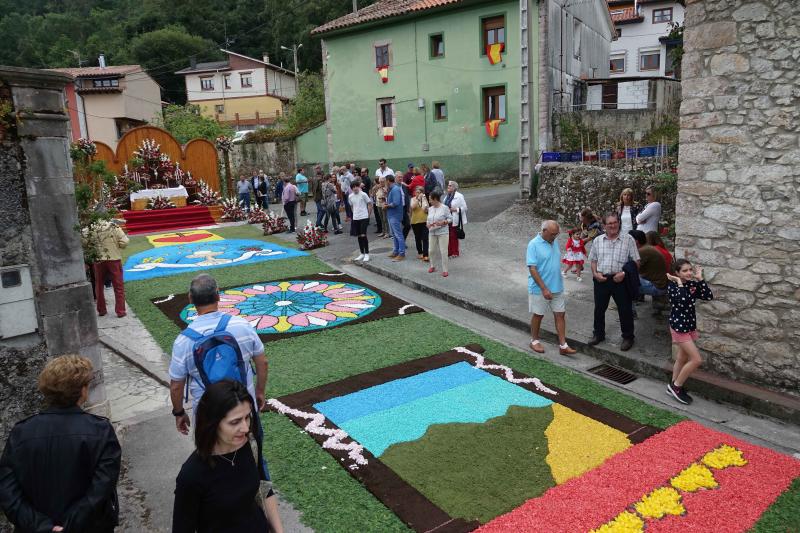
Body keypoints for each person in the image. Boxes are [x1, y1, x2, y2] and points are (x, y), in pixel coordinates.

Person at [0, 355, 121, 533]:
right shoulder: (100, 431)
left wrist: (42, 526)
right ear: (82, 391)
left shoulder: (21, 432)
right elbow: (102, 487)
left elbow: (8, 491)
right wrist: (70, 525)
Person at [173, 380, 284, 533]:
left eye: (247, 417)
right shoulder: (191, 475)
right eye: (235, 422)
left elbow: (264, 488)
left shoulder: (250, 444)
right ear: (212, 423)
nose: (245, 428)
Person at [169, 274, 269, 433]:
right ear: (218, 295)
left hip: (208, 414)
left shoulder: (183, 341)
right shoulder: (242, 325)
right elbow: (262, 362)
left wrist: (179, 412)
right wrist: (259, 391)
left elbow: (176, 386)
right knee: (253, 451)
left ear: (190, 299)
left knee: (212, 455)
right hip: (244, 407)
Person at [588, 212, 641, 351]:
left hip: (620, 279)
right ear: (604, 226)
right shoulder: (598, 240)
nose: (613, 225)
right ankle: (598, 334)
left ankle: (628, 337)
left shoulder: (628, 239)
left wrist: (624, 273)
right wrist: (595, 273)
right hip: (601, 279)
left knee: (625, 310)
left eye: (615, 222)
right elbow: (593, 260)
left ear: (619, 222)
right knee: (599, 309)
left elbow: (637, 262)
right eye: (609, 223)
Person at [665, 259, 713, 405]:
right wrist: (679, 282)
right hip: (679, 327)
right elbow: (683, 300)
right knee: (697, 360)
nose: (689, 273)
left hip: (689, 326)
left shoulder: (692, 283)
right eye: (684, 271)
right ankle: (677, 387)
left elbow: (708, 296)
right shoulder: (672, 286)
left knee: (682, 358)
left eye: (690, 270)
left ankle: (672, 384)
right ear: (677, 273)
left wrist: (700, 279)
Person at [527, 220, 578, 356]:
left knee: (560, 314)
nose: (554, 237)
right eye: (552, 234)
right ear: (544, 231)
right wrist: (544, 288)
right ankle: (534, 341)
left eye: (556, 234)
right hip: (540, 288)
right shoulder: (533, 244)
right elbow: (532, 269)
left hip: (557, 286)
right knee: (538, 315)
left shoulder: (553, 241)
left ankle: (563, 345)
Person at [82, 219, 129, 318]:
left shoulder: (90, 228)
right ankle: (120, 311)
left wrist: (92, 247)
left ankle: (101, 310)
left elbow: (84, 241)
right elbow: (124, 241)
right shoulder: (113, 226)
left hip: (98, 259)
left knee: (99, 285)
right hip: (114, 258)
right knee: (118, 286)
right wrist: (117, 246)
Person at [630, 229, 668, 300]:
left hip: (657, 287)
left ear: (636, 241)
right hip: (660, 284)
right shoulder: (647, 247)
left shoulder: (643, 251)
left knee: (625, 280)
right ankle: (638, 298)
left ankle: (629, 308)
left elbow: (631, 269)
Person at [426, 190, 451, 277]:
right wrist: (428, 224)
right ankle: (433, 266)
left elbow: (450, 219)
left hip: (443, 232)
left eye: (430, 199)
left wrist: (443, 222)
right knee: (431, 250)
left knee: (443, 251)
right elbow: (428, 219)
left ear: (435, 199)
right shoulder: (430, 209)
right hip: (432, 232)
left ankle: (445, 270)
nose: (429, 201)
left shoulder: (445, 208)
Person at [349, 180, 373, 262]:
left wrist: (368, 215)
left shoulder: (363, 194)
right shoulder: (350, 196)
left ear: (359, 186)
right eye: (353, 187)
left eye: (356, 186)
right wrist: (354, 214)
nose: (355, 188)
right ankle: (362, 253)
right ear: (351, 188)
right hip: (356, 218)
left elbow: (370, 204)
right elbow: (352, 206)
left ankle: (367, 254)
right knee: (359, 236)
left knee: (363, 235)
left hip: (364, 217)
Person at [444, 180, 467, 258]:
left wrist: (455, 209)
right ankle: (449, 252)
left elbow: (465, 207)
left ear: (454, 187)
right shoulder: (447, 196)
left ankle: (455, 252)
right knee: (447, 235)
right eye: (448, 185)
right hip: (447, 218)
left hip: (454, 218)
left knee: (453, 235)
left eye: (450, 185)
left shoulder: (459, 196)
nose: (448, 186)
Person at [385, 175, 406, 261]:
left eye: (385, 181)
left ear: (388, 181)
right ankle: (396, 251)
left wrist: (386, 206)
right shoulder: (393, 189)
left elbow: (396, 203)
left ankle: (401, 253)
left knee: (398, 234)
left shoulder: (395, 189)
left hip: (395, 215)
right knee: (394, 235)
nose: (385, 183)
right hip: (391, 215)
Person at [410, 186, 430, 261]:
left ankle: (426, 255)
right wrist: (418, 199)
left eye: (419, 192)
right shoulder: (413, 199)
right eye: (417, 192)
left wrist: (424, 201)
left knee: (425, 238)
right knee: (417, 238)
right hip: (415, 221)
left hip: (424, 221)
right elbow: (412, 207)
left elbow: (426, 210)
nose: (418, 194)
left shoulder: (424, 199)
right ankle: (420, 252)